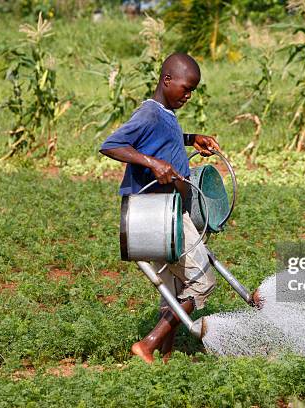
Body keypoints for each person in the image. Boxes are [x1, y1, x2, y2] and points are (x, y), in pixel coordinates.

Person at [99, 53, 221, 363]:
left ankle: (166, 354)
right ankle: (149, 343)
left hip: (160, 211)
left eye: (193, 90)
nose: (189, 95)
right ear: (167, 80)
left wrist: (191, 139)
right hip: (160, 211)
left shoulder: (163, 114)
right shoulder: (150, 114)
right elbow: (111, 144)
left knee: (173, 287)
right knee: (203, 280)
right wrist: (153, 163)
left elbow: (161, 137)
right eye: (186, 88)